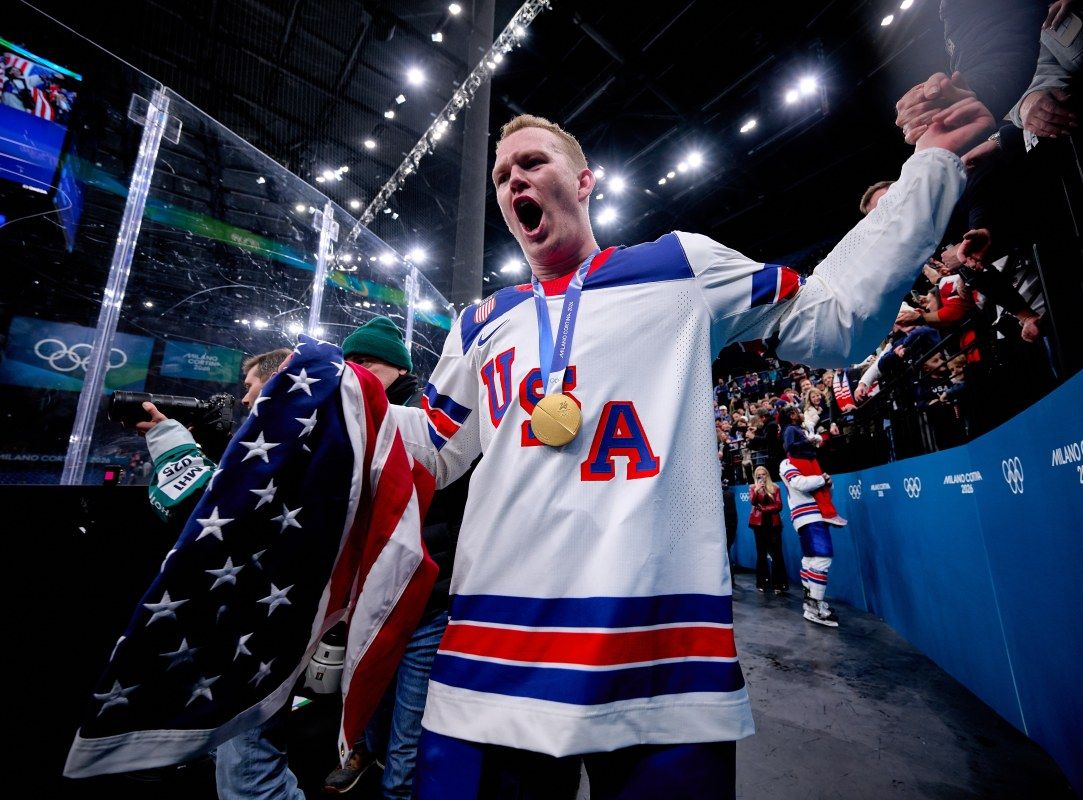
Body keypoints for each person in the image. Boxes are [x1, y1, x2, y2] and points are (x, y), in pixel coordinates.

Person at [382, 105, 985, 797]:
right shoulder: (480, 322)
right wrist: (343, 401)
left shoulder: (679, 266)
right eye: (501, 175)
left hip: (660, 660)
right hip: (494, 660)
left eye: (533, 162)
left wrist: (928, 170)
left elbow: (832, 319)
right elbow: (432, 449)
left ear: (583, 182)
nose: (513, 178)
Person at [134, 347, 302, 800]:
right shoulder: (290, 437)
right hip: (255, 618)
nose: (243, 399)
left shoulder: (297, 437)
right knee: (241, 757)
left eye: (250, 387)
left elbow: (219, 516)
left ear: (278, 381)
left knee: (250, 777)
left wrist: (172, 447)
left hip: (261, 624)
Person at [323, 317, 462, 799]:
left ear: (399, 368)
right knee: (370, 695)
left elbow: (446, 497)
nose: (356, 371)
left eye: (368, 362)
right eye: (349, 362)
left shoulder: (428, 421)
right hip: (372, 593)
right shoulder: (353, 419)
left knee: (409, 730)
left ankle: (397, 788)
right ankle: (363, 754)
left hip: (425, 595)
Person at [779, 455, 840, 628]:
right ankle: (815, 607)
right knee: (821, 558)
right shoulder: (788, 462)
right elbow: (799, 483)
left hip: (814, 515)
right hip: (808, 516)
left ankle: (811, 604)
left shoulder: (810, 463)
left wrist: (828, 483)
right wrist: (821, 479)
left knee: (810, 559)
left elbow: (825, 493)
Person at [748, 466, 787, 594]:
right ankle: (762, 582)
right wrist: (757, 491)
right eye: (758, 475)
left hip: (773, 524)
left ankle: (778, 584)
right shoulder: (752, 488)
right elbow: (753, 502)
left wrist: (764, 509)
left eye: (763, 474)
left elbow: (779, 505)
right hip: (759, 525)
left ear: (767, 475)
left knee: (776, 554)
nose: (761, 477)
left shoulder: (775, 487)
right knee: (761, 554)